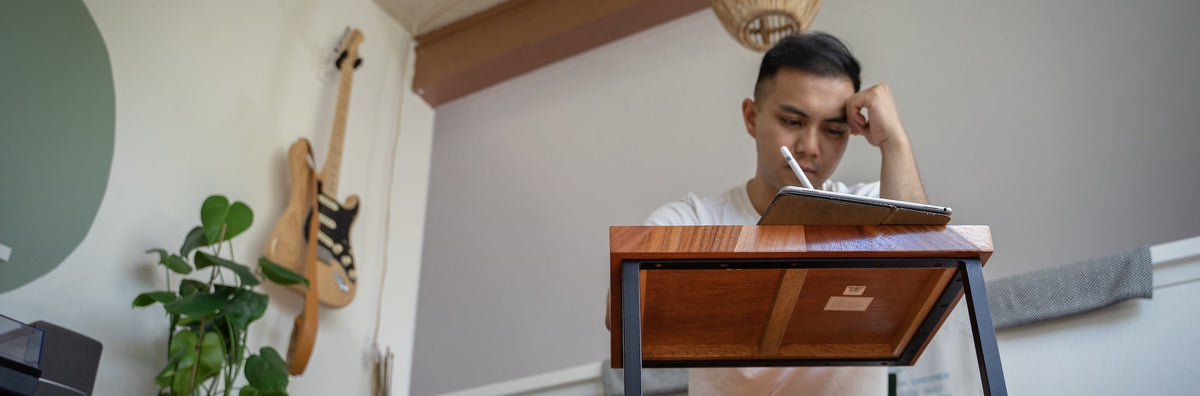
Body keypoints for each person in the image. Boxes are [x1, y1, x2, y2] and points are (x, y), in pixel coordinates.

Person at [644, 32, 930, 395]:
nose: (810, 147)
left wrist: (895, 141)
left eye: (833, 129)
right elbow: (623, 315)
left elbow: (926, 273)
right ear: (751, 117)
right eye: (793, 122)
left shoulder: (873, 210)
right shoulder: (691, 222)